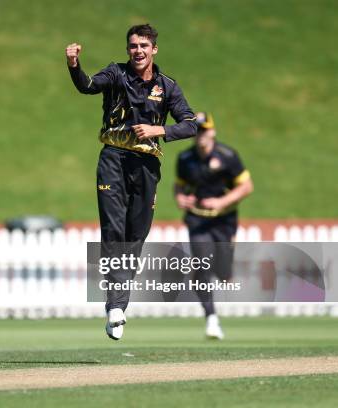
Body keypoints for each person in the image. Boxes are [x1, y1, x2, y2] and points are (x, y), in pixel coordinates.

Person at [66, 24, 197, 340]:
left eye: (143, 46)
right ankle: (115, 306)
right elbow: (86, 86)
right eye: (133, 46)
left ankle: (117, 304)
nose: (137, 51)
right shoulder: (115, 73)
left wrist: (158, 131)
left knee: (135, 234)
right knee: (113, 230)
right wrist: (73, 65)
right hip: (113, 158)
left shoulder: (167, 87)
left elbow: (191, 125)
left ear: (154, 49)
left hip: (147, 166)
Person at [173, 112, 254, 339]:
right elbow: (179, 186)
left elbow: (247, 186)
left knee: (223, 271)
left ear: (213, 132)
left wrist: (222, 202)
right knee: (201, 265)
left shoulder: (228, 156)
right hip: (197, 220)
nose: (201, 135)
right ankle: (211, 318)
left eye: (204, 130)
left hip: (224, 220)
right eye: (197, 130)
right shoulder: (185, 158)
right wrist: (180, 198)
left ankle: (224, 272)